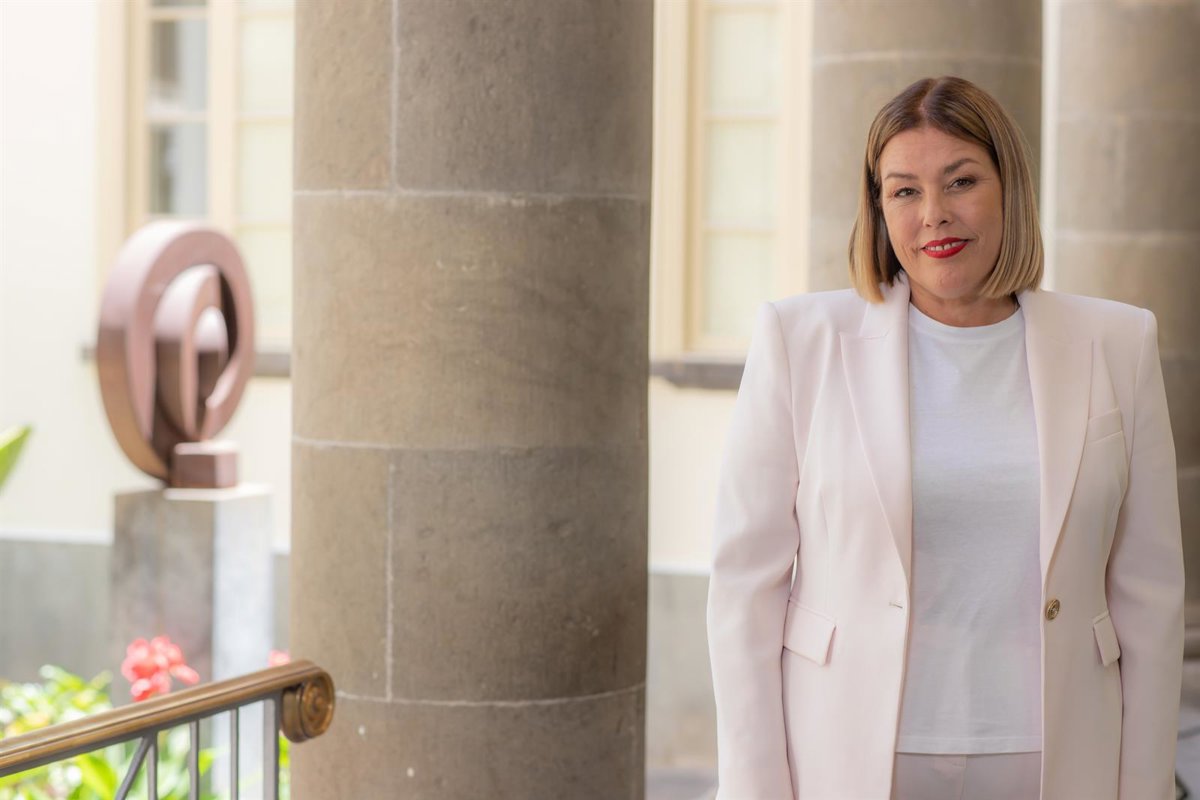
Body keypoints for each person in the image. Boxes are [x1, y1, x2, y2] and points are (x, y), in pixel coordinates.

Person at [706, 75, 1184, 800]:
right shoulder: (800, 340)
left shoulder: (1117, 342)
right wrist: (754, 788)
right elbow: (745, 588)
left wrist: (1144, 787)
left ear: (1008, 188)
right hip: (850, 752)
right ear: (879, 209)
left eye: (961, 181)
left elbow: (1150, 596)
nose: (934, 214)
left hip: (1058, 754)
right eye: (904, 191)